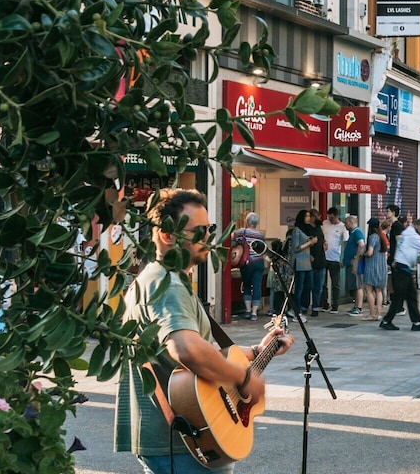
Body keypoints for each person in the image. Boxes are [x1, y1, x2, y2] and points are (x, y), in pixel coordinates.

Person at [114, 188, 295, 474]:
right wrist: (242, 378)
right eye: (198, 231)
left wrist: (259, 351)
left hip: (183, 435)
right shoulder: (167, 284)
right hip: (183, 440)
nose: (209, 238)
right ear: (167, 235)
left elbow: (202, 347)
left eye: (209, 228)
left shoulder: (160, 278)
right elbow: (185, 349)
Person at [384, 218, 420, 332]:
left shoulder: (408, 234)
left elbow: (401, 248)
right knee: (401, 297)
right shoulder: (412, 237)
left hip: (404, 268)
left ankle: (416, 322)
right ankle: (388, 321)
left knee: (410, 296)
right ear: (416, 226)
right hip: (402, 269)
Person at [285, 209, 323, 318]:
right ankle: (296, 309)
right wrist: (310, 243)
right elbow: (296, 248)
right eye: (306, 216)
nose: (308, 218)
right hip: (299, 262)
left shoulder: (307, 229)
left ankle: (303, 306)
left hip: (307, 262)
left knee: (309, 285)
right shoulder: (297, 230)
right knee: (299, 287)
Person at [232, 212, 267, 320]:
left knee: (247, 285)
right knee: (257, 286)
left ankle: (247, 310)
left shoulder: (242, 231)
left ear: (247, 221)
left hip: (247, 262)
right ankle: (254, 313)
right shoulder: (261, 235)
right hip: (259, 262)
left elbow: (232, 237)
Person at [358, 218, 390, 321]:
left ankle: (372, 314)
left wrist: (363, 254)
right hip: (381, 267)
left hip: (372, 267)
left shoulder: (372, 237)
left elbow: (370, 252)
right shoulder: (381, 237)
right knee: (379, 291)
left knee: (369, 291)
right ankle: (379, 313)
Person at [321, 207, 350, 313]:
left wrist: (343, 258)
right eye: (329, 217)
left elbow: (345, 242)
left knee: (335, 283)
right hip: (324, 257)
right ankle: (325, 303)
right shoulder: (325, 223)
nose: (330, 219)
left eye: (332, 218)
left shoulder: (342, 227)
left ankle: (335, 305)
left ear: (336, 216)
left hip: (335, 258)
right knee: (323, 283)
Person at [342, 215, 366, 317]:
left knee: (358, 285)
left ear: (352, 223)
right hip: (350, 263)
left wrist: (356, 258)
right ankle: (356, 306)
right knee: (354, 286)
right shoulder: (352, 233)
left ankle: (359, 307)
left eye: (346, 223)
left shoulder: (357, 232)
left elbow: (361, 245)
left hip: (355, 264)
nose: (345, 225)